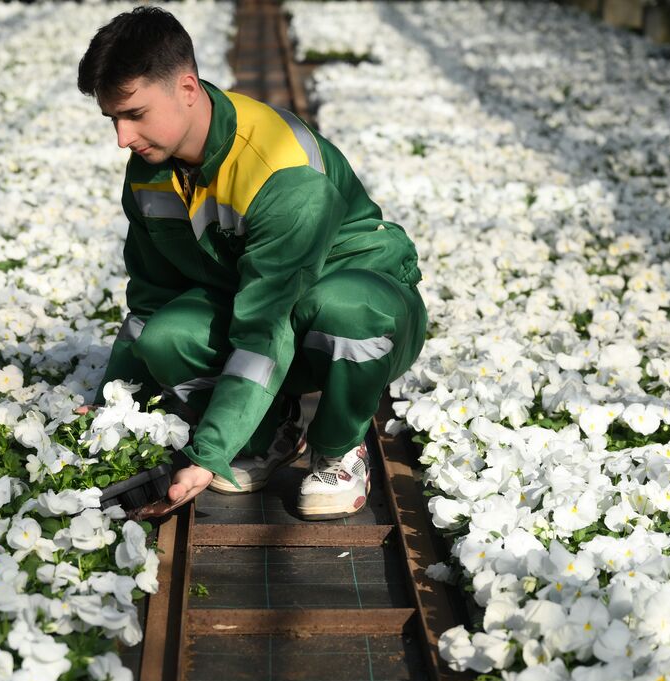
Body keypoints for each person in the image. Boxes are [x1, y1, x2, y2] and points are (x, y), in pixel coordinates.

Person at [76, 6, 428, 521]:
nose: (122, 139)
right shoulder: (150, 171)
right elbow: (150, 299)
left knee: (344, 310)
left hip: (360, 309)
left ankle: (338, 447)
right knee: (166, 337)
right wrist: (113, 401)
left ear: (188, 88)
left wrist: (207, 452)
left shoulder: (280, 172)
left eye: (135, 115)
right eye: (114, 119)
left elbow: (266, 328)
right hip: (260, 308)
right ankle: (269, 433)